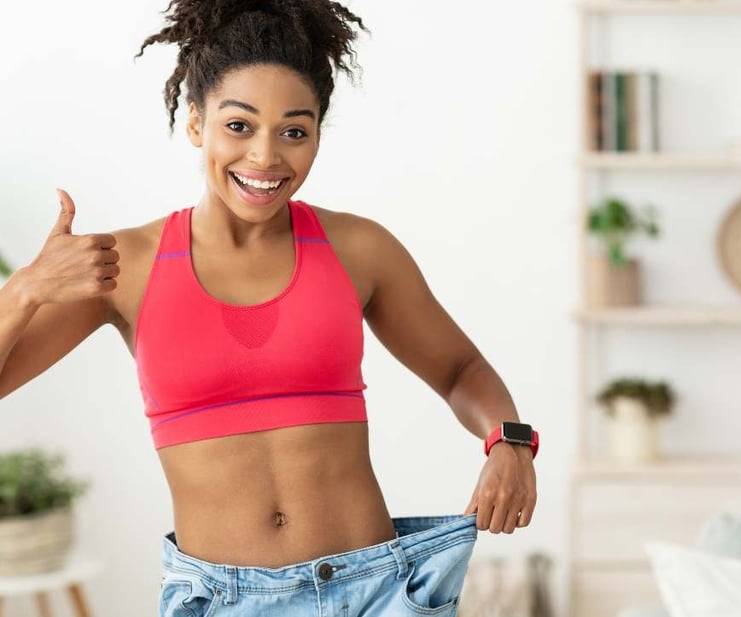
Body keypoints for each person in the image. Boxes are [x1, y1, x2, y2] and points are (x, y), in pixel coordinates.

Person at [0, 0, 538, 615]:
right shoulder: (126, 265)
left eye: (294, 131)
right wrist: (26, 289)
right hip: (222, 598)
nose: (265, 157)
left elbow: (458, 367)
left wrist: (509, 440)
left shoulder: (359, 249)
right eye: (239, 126)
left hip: (377, 589)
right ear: (196, 122)